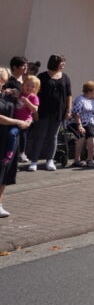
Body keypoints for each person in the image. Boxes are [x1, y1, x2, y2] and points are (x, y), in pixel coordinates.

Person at [27, 54, 71, 172]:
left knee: (53, 136)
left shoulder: (65, 77)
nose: (64, 64)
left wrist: (68, 110)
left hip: (58, 112)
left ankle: (49, 160)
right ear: (55, 63)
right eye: (62, 62)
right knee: (39, 136)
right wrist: (34, 112)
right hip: (43, 111)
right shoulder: (42, 76)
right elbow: (35, 93)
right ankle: (34, 161)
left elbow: (69, 95)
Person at [0, 85, 31, 218]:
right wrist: (18, 122)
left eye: (2, 79)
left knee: (4, 172)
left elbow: (27, 108)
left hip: (8, 139)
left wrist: (28, 120)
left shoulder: (8, 95)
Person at [3, 75, 37, 166]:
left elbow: (35, 109)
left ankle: (21, 153)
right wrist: (9, 91)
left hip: (25, 121)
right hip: (15, 120)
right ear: (23, 85)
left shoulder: (33, 97)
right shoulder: (20, 94)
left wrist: (27, 102)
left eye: (32, 86)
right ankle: (12, 152)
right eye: (27, 85)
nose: (29, 88)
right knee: (12, 134)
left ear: (35, 88)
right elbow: (14, 91)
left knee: (21, 135)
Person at [2, 58, 30, 163]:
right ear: (15, 67)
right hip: (11, 114)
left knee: (23, 135)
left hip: (24, 114)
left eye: (27, 66)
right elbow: (3, 92)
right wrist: (10, 91)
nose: (26, 68)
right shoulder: (9, 80)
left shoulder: (26, 81)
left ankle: (20, 153)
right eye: (24, 66)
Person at [70, 81, 94, 167]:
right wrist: (79, 125)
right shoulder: (80, 99)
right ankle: (77, 160)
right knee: (81, 137)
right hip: (76, 122)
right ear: (89, 91)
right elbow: (76, 114)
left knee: (91, 137)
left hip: (89, 122)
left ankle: (90, 160)